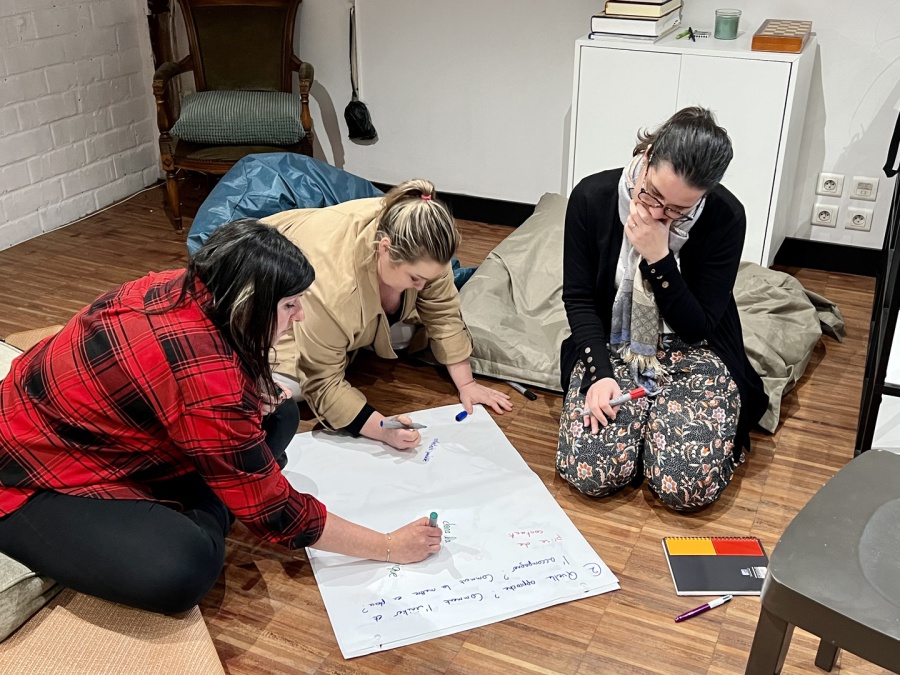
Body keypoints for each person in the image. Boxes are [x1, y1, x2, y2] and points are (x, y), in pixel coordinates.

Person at [0, 220, 441, 615]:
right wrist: (387, 546)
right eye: (290, 305)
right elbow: (279, 514)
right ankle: (222, 496)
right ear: (249, 304)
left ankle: (223, 488)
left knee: (282, 412)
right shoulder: (209, 382)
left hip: (97, 434)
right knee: (184, 569)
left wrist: (248, 398)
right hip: (31, 476)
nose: (300, 315)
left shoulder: (177, 285)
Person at [557, 107, 767, 511]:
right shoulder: (591, 197)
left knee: (683, 486)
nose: (657, 214)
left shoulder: (725, 216)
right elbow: (579, 299)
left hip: (697, 347)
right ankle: (643, 435)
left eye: (677, 210)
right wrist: (600, 374)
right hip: (614, 340)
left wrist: (659, 258)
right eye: (653, 194)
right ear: (648, 155)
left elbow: (697, 326)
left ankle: (653, 437)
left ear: (704, 195)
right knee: (591, 472)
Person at [261, 179, 512, 451]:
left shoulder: (421, 240)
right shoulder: (334, 285)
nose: (422, 287)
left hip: (334, 285)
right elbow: (321, 381)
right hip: (270, 282)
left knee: (403, 338)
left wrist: (467, 384)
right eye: (415, 278)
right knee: (292, 388)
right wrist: (383, 429)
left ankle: (353, 337)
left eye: (428, 278)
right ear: (384, 248)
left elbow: (443, 312)